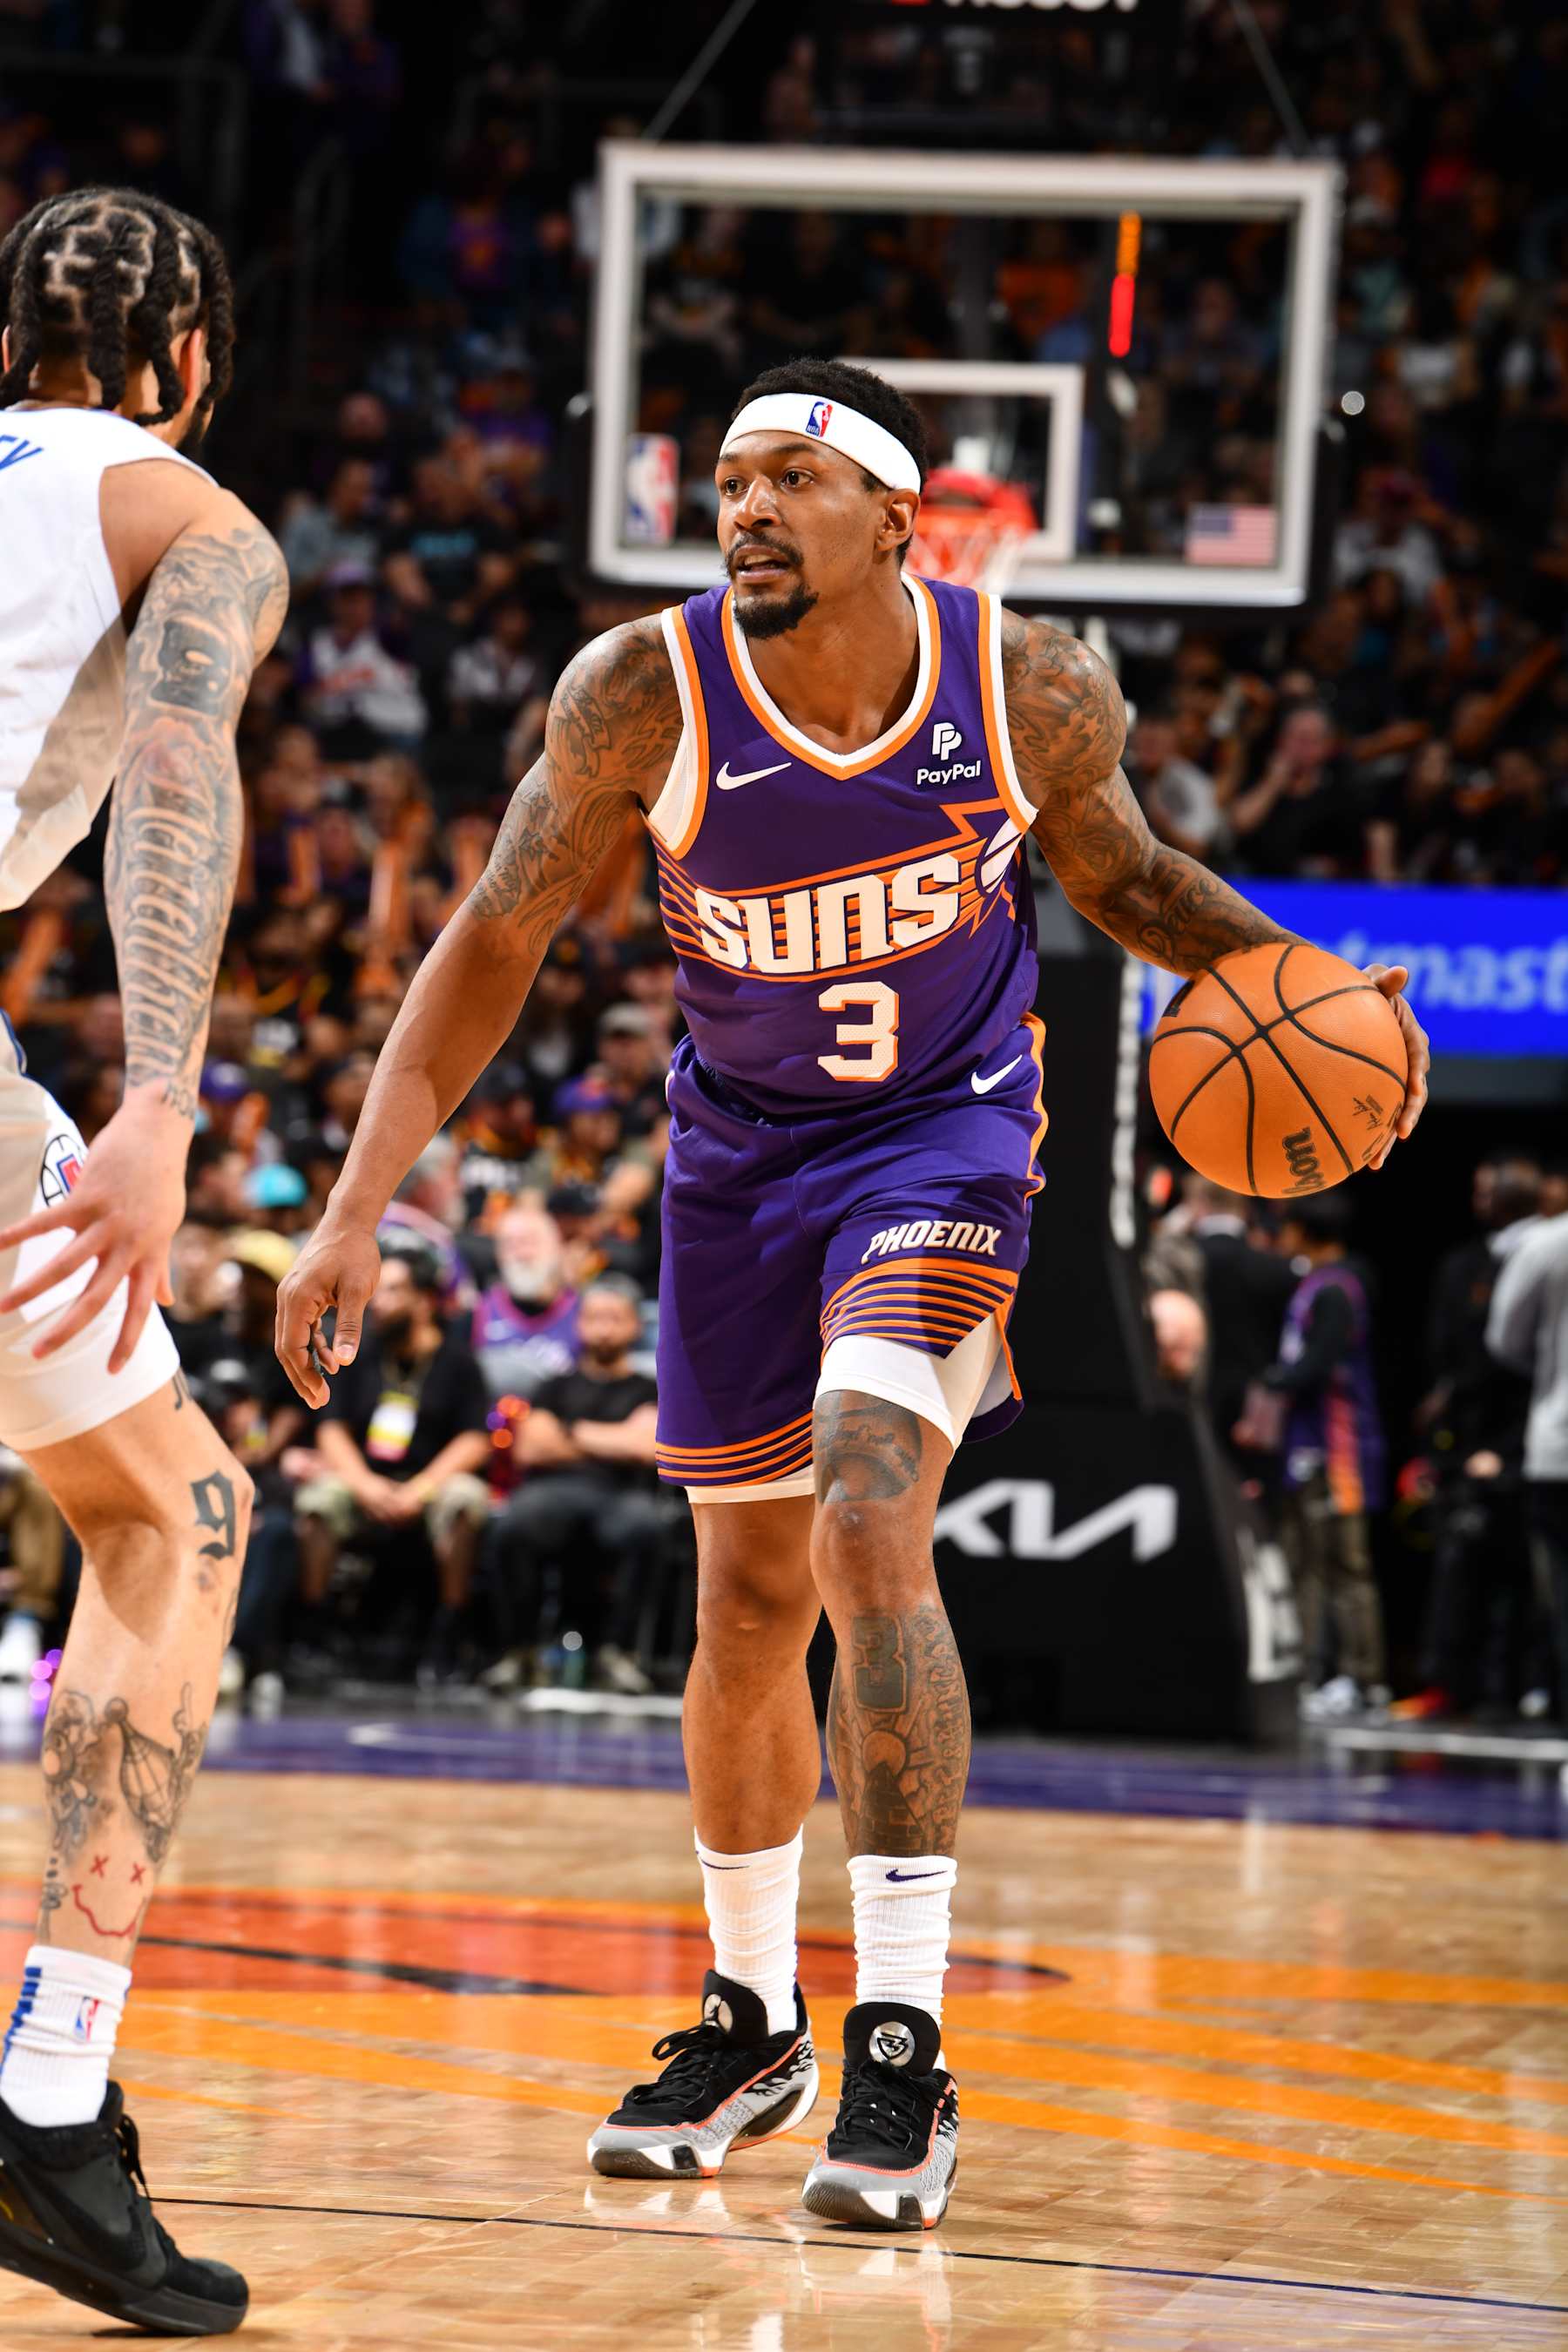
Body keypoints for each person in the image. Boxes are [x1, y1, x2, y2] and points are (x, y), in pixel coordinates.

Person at [276, 356, 1429, 2233]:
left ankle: (906, 2044)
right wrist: (353, 1206)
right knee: (746, 1600)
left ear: (899, 520)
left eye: (789, 476)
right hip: (737, 1163)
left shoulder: (1027, 687)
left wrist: (1314, 981)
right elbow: (493, 938)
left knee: (870, 1504)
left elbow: (1130, 879)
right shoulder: (639, 694)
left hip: (944, 1141)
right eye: (729, 478)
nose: (744, 506)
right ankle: (753, 2021)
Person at [0, 186, 287, 2330]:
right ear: (190, 362)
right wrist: (164, 1100)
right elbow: (174, 773)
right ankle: (47, 2101)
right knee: (173, 1515)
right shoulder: (191, 517)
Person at [294, 1237, 490, 1684]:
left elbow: (475, 1439)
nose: (378, 1303)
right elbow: (331, 1428)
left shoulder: (459, 1363)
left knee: (465, 1500)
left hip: (430, 1483)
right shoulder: (359, 1355)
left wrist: (421, 1489)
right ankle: (315, 1633)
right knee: (318, 1502)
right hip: (367, 1479)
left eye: (393, 1291)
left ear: (425, 1300)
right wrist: (364, 1485)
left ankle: (448, 1636)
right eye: (376, 1292)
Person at [486, 1274, 667, 1695]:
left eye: (615, 1318)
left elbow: (645, 1447)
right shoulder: (554, 1386)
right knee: (513, 1525)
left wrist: (568, 1431)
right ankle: (520, 1652)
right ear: (579, 1323)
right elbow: (530, 1448)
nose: (603, 1328)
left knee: (646, 1528)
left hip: (622, 1494)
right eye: (595, 1317)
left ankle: (618, 1654)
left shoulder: (649, 1387)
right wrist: (615, 1438)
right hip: (553, 1492)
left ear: (635, 1326)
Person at [1264, 1195, 1389, 1720]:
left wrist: (1270, 1382)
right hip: (1308, 1445)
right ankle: (1313, 1674)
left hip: (1340, 1451)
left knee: (1345, 1566)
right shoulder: (1316, 1283)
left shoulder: (1337, 1288)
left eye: (1286, 1227)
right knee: (1309, 1566)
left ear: (1303, 1230)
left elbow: (1317, 1365)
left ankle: (1364, 1680)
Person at [1486, 1212, 1568, 1727]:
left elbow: (1504, 1339)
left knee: (1561, 1597)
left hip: (1560, 1441)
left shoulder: (1549, 1241)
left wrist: (1551, 1366)